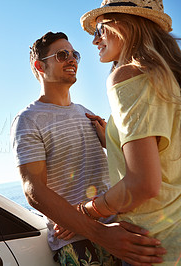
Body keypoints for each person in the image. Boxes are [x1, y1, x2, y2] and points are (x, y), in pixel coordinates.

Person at [10, 31, 165, 265]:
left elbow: (133, 169)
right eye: (62, 55)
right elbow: (34, 191)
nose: (72, 59)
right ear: (40, 66)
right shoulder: (28, 119)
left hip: (121, 229)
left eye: (75, 54)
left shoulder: (86, 113)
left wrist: (110, 143)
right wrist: (100, 234)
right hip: (79, 242)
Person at [78, 0, 181, 264]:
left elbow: (142, 184)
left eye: (99, 30)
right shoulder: (169, 78)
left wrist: (87, 212)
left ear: (122, 24)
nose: (94, 41)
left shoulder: (125, 76)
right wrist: (113, 140)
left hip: (152, 246)